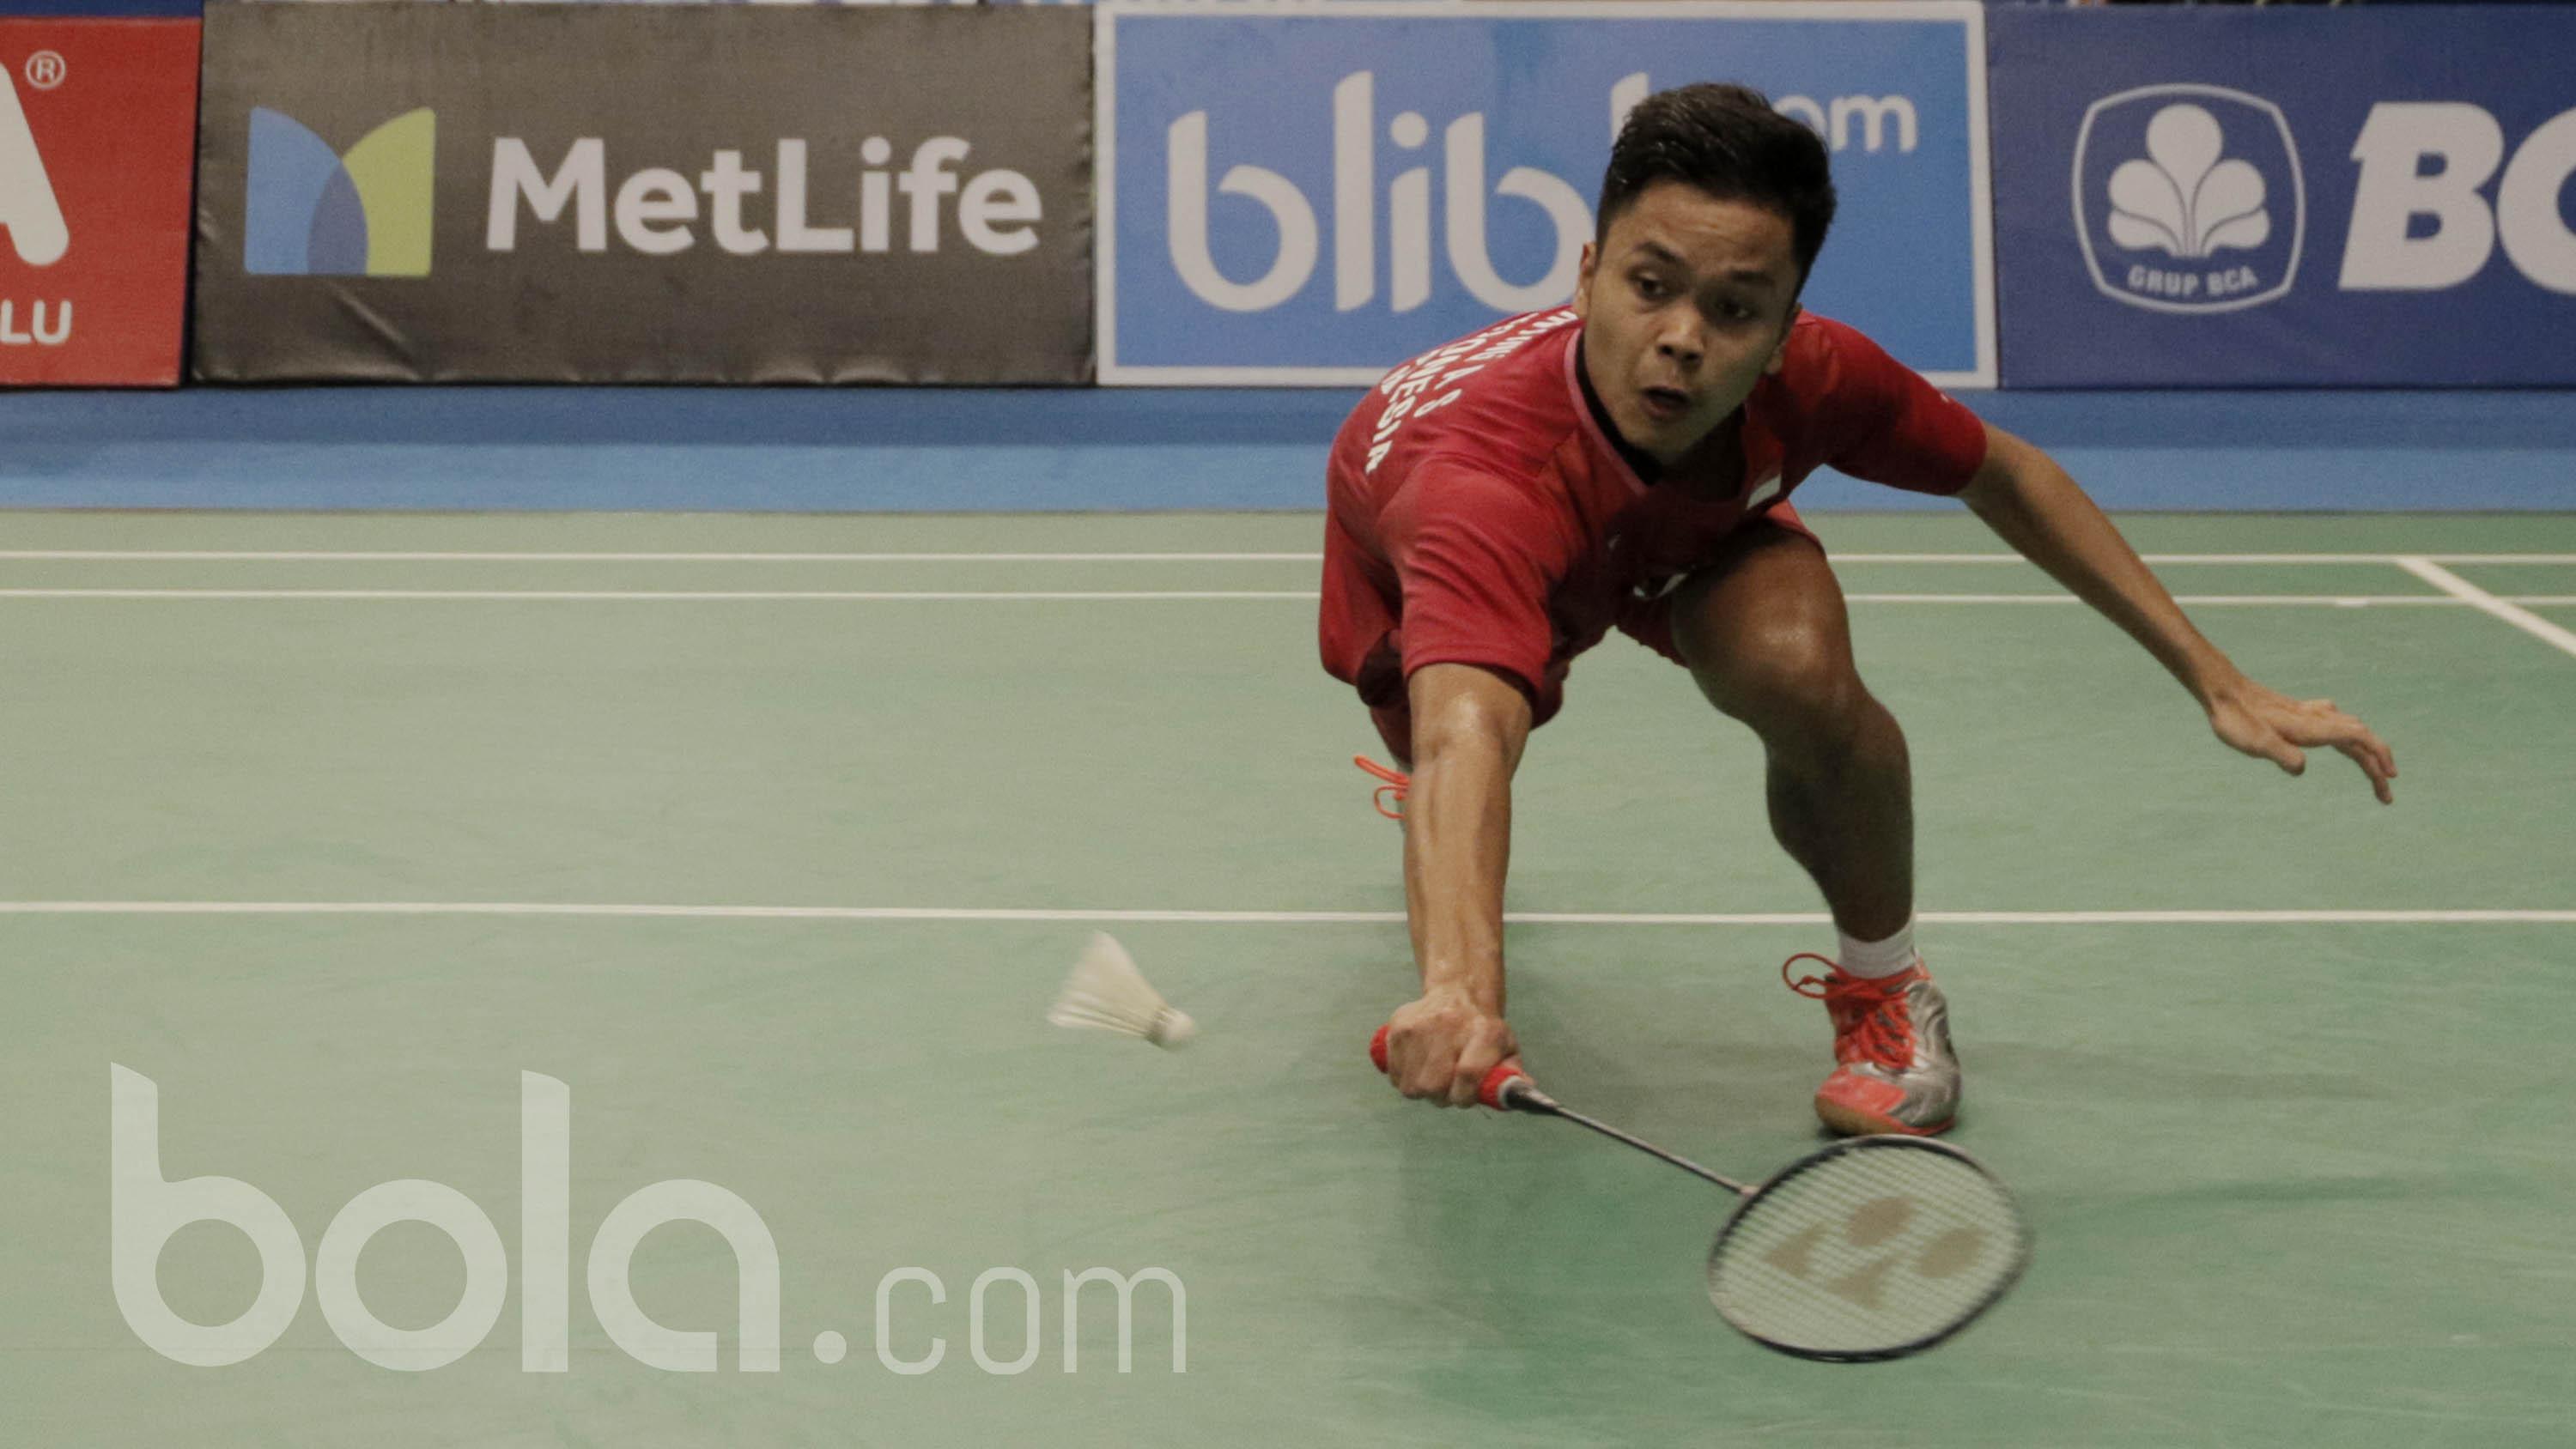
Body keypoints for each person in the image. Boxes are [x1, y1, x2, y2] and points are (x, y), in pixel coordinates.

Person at [1320, 82, 2397, 1136]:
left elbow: (2007, 474)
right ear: (1588, 274)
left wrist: (2215, 674)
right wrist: (1459, 984)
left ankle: (1889, 996)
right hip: (1456, 545)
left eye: (1735, 309)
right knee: (1453, 753)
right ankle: (1437, 862)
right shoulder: (1477, 488)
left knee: (1798, 670)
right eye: (1650, 287)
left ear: (1788, 327)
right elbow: (1469, 723)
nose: (1685, 338)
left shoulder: (1820, 378)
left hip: (1695, 520)